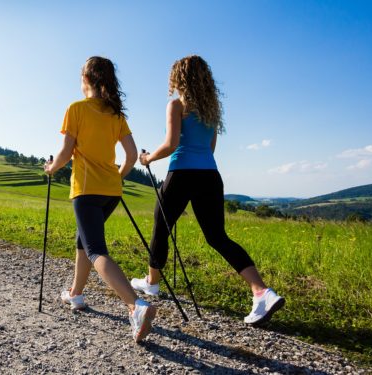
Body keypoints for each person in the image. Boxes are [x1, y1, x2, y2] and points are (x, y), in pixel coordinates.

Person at [132, 55, 285, 326]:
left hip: (181, 173)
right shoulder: (211, 109)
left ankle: (152, 283)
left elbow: (170, 144)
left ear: (178, 78)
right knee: (217, 237)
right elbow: (210, 148)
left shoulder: (176, 106)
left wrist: (147, 159)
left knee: (160, 225)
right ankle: (261, 291)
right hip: (210, 175)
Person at [44, 56, 156, 343]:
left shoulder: (76, 109)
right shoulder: (117, 114)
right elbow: (131, 156)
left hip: (86, 190)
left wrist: (51, 167)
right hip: (111, 191)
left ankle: (136, 306)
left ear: (87, 79)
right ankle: (76, 294)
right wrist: (117, 176)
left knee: (95, 250)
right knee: (82, 240)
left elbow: (66, 152)